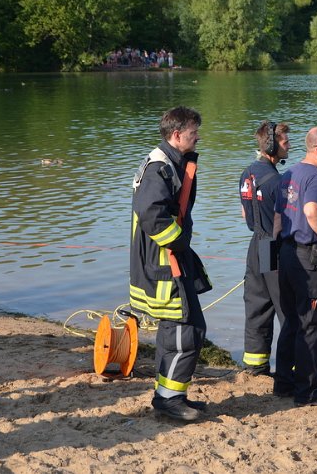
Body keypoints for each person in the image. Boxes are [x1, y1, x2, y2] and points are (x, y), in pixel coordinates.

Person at [129, 106, 209, 422]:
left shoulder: (169, 163)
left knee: (173, 328)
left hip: (168, 258)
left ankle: (169, 394)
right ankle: (169, 399)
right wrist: (178, 243)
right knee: (186, 328)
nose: (198, 136)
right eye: (193, 132)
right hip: (163, 262)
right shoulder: (159, 168)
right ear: (177, 135)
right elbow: (150, 213)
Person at [272, 126, 317, 406]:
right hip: (309, 257)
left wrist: (279, 249)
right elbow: (311, 210)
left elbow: (279, 216)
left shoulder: (289, 174)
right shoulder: (316, 178)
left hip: (288, 255)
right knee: (313, 324)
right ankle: (308, 392)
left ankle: (284, 384)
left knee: (292, 320)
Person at [238, 121, 292, 375]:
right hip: (276, 247)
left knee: (257, 306)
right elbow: (286, 221)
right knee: (288, 310)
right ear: (271, 145)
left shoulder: (247, 173)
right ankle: (289, 369)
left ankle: (255, 366)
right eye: (285, 142)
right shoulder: (277, 181)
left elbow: (243, 213)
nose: (288, 145)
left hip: (257, 246)